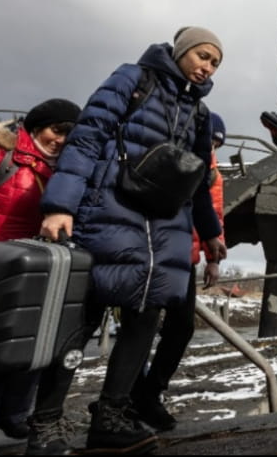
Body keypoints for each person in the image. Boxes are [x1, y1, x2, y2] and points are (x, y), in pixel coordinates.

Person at [27, 26, 227, 455]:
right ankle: (44, 425)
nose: (207, 66)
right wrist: (59, 204)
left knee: (145, 316)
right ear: (182, 51)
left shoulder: (200, 113)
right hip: (109, 209)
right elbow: (89, 134)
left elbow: (197, 177)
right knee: (83, 318)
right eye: (203, 56)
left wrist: (211, 235)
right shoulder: (133, 79)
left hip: (164, 227)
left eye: (215, 62)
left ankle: (111, 418)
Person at [0, 99, 81, 443]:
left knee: (28, 345)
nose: (60, 140)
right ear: (37, 125)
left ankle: (14, 415)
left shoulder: (64, 172)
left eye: (68, 135)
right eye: (56, 130)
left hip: (32, 268)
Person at [130, 112, 227, 432]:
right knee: (139, 327)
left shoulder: (212, 175)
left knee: (181, 327)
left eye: (217, 142)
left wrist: (214, 258)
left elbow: (214, 214)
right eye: (210, 139)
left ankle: (149, 392)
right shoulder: (170, 157)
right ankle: (127, 397)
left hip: (186, 258)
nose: (212, 145)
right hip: (153, 253)